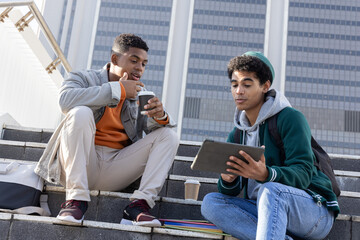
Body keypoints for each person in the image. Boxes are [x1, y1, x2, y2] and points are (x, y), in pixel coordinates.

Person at [35, 33, 179, 226]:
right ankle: (75, 201)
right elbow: (65, 101)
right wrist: (117, 90)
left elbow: (156, 133)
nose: (139, 68)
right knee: (80, 113)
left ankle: (138, 206)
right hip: (81, 163)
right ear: (114, 59)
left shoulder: (140, 94)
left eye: (144, 64)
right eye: (134, 60)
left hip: (117, 168)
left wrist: (160, 116)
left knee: (168, 135)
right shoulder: (83, 77)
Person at [201, 51, 339, 239]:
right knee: (211, 202)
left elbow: (304, 173)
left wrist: (266, 174)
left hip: (314, 213)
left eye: (246, 85)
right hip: (265, 211)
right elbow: (231, 191)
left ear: (265, 86)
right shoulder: (238, 132)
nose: (238, 91)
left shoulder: (290, 118)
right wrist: (228, 179)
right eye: (234, 85)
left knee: (270, 189)